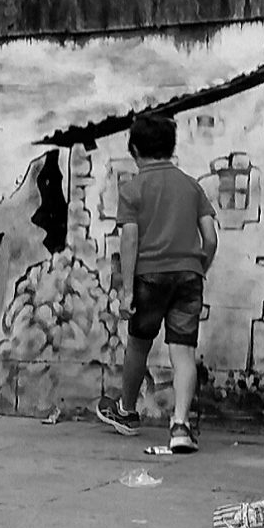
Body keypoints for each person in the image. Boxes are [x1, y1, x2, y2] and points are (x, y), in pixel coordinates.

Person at [95, 113, 218, 454]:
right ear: (171, 147)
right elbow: (209, 237)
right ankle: (180, 426)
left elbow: (130, 241)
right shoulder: (192, 186)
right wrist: (199, 267)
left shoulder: (133, 189)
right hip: (188, 274)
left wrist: (127, 290)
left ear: (134, 149)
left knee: (138, 344)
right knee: (183, 353)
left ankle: (127, 411)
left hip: (149, 275)